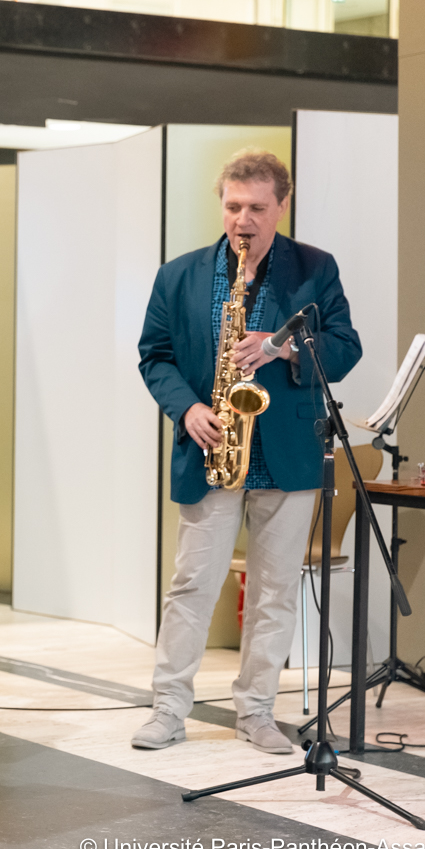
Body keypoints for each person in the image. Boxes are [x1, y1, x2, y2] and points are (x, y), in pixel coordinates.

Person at [134, 148, 361, 754]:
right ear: (222, 204)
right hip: (213, 450)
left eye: (257, 208)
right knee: (192, 587)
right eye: (234, 206)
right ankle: (168, 709)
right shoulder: (178, 274)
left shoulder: (316, 269)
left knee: (275, 590)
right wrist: (187, 407)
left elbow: (344, 350)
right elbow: (153, 356)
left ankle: (257, 711)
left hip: (285, 455)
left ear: (280, 206)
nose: (244, 220)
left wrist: (283, 347)